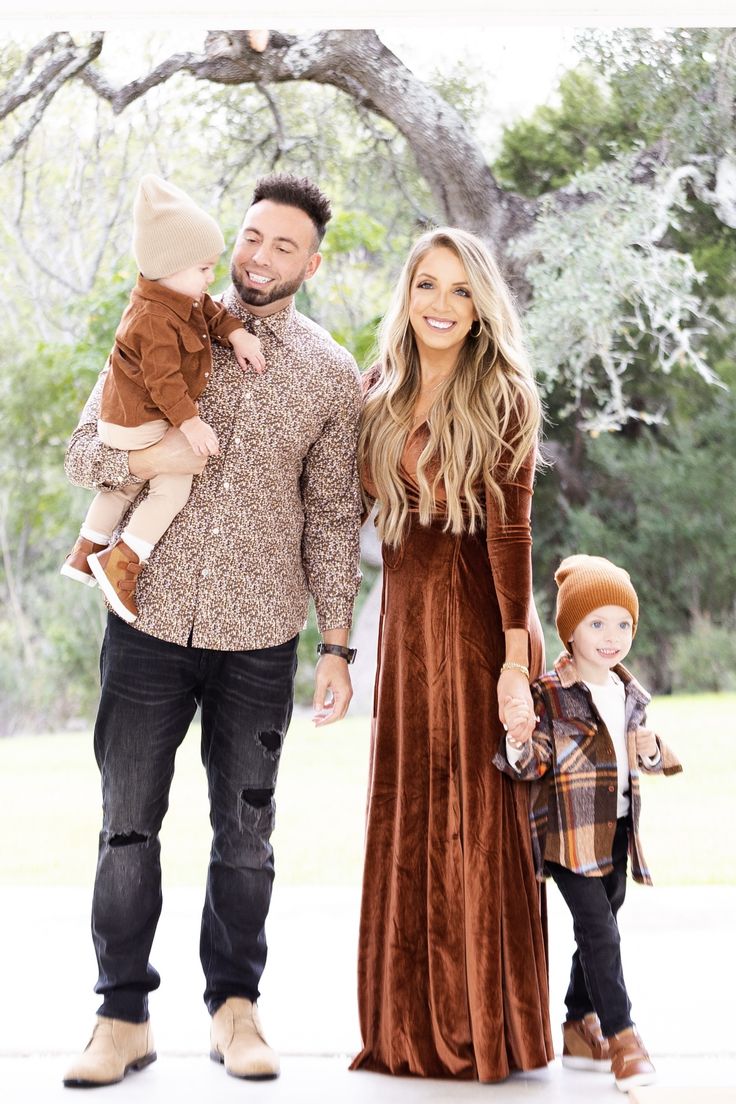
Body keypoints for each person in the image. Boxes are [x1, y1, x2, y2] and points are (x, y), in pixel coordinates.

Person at [61, 172, 363, 1089]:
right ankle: (121, 1015)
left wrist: (339, 647)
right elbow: (84, 452)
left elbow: (332, 517)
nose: (258, 256)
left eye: (283, 245)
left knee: (245, 835)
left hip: (260, 637)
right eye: (250, 235)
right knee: (125, 828)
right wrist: (167, 451)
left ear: (312, 262)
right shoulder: (158, 315)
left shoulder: (330, 372)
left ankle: (236, 1008)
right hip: (146, 624)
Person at [350, 226, 554, 1081]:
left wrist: (515, 661)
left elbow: (511, 536)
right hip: (403, 626)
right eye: (426, 285)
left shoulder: (502, 392)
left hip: (480, 625)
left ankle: (485, 1027)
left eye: (460, 290)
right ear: (406, 293)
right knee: (410, 809)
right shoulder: (378, 387)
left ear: (482, 307)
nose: (440, 305)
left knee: (479, 817)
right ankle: (404, 1028)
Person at [496, 554, 682, 1093]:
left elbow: (650, 757)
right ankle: (623, 1037)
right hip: (571, 838)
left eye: (622, 623)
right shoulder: (552, 693)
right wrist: (517, 736)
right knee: (599, 930)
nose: (611, 636)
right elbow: (528, 763)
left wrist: (652, 750)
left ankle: (580, 1024)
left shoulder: (629, 692)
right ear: (570, 630)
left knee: (602, 928)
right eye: (596, 624)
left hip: (619, 831)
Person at [60, 174, 266, 623]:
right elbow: (164, 382)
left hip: (128, 418)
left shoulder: (180, 295)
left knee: (123, 485)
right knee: (172, 484)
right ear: (170, 266)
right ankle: (122, 562)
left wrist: (235, 334)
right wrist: (191, 424)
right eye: (203, 269)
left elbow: (210, 311)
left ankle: (86, 548)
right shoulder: (151, 318)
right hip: (139, 418)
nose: (211, 278)